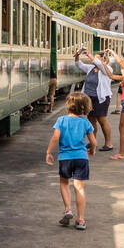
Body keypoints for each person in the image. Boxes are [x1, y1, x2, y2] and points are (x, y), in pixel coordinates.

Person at [46, 92, 96, 230]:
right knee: (79, 186)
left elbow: (55, 138)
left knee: (64, 183)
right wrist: (92, 150)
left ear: (68, 106)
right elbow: (93, 142)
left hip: (65, 158)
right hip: (81, 157)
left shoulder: (61, 120)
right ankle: (80, 220)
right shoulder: (86, 122)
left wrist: (49, 152)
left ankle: (68, 209)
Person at [75, 47, 114, 152]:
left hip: (101, 98)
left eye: (97, 59)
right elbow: (79, 64)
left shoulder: (107, 69)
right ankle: (93, 141)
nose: (94, 61)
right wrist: (77, 55)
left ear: (103, 60)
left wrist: (89, 54)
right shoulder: (90, 68)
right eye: (94, 59)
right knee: (91, 120)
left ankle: (108, 144)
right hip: (89, 98)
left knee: (102, 120)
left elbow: (100, 65)